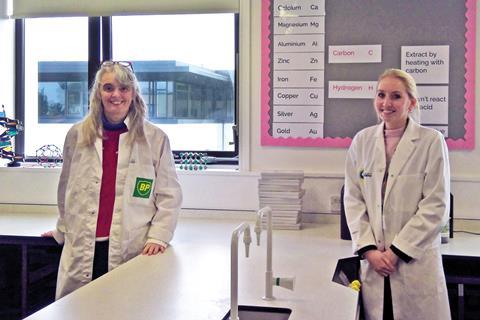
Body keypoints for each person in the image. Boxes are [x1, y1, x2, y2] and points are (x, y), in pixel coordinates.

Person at [42, 61, 182, 299]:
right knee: (78, 311)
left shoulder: (155, 138)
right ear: (98, 92)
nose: (116, 95)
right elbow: (67, 189)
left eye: (124, 88)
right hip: (83, 245)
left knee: (124, 308)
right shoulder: (77, 134)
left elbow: (169, 194)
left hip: (131, 247)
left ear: (134, 92)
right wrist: (62, 228)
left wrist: (159, 235)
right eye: (108, 88)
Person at [344, 68, 451, 320]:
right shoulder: (362, 141)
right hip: (374, 263)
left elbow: (436, 206)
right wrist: (369, 250)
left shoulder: (431, 141)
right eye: (381, 95)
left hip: (412, 262)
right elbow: (353, 199)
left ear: (411, 103)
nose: (386, 103)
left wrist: (395, 253)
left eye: (396, 96)